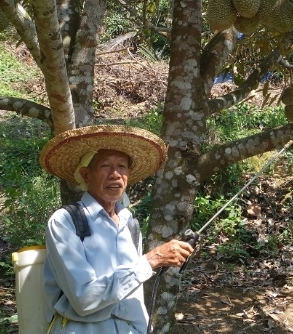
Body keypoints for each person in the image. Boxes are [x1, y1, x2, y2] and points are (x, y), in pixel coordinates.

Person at [39, 124, 194, 333]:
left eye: (122, 166)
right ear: (86, 175)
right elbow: (84, 298)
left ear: (128, 175)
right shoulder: (66, 221)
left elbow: (132, 294)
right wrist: (152, 260)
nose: (115, 174)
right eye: (105, 166)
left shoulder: (129, 223)